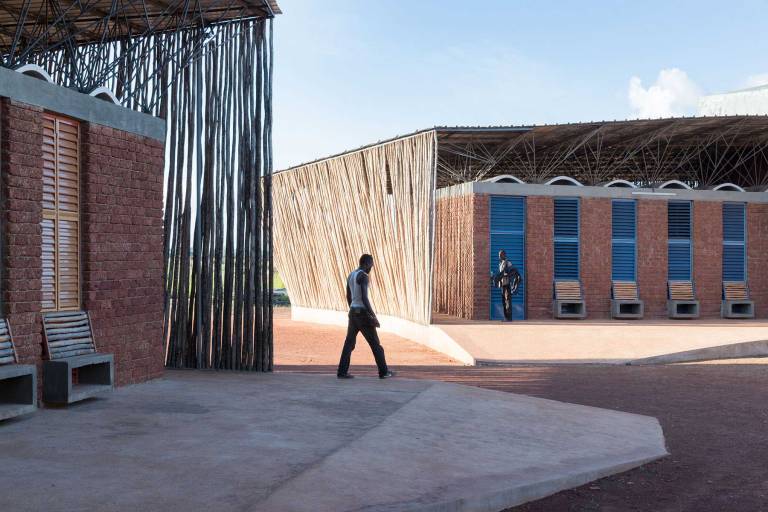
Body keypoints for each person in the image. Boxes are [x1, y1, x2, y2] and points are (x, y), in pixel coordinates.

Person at [337, 254, 395, 379]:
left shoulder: (351, 274)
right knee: (375, 344)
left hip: (353, 313)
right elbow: (364, 297)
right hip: (362, 314)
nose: (371, 267)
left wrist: (352, 309)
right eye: (371, 265)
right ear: (366, 263)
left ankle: (342, 372)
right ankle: (384, 372)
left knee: (349, 344)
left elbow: (348, 295)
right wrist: (373, 316)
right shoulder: (363, 276)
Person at [492, 250, 521, 322]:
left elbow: (513, 272)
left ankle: (509, 318)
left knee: (508, 301)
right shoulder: (500, 264)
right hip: (502, 285)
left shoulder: (508, 263)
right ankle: (505, 317)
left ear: (504, 255)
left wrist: (507, 274)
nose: (499, 256)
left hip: (507, 284)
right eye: (499, 255)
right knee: (504, 301)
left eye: (501, 254)